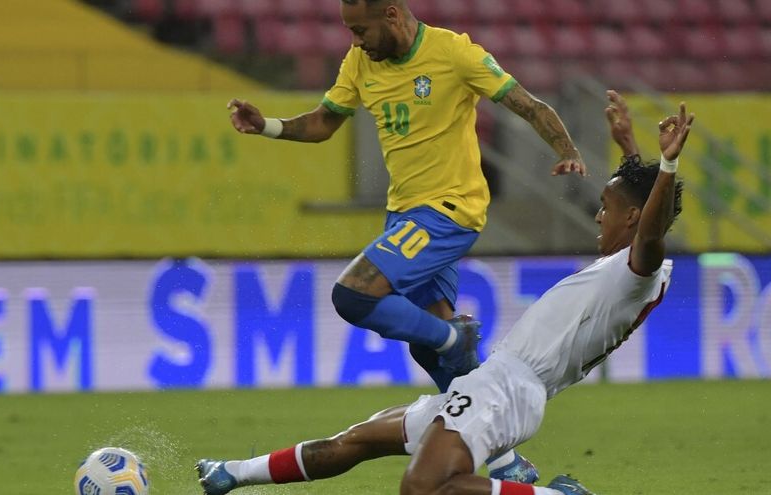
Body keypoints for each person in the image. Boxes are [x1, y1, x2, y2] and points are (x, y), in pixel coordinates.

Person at [198, 93, 694, 495]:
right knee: (357, 441)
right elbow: (641, 210)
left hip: (508, 390)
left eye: (607, 207)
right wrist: (630, 150)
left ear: (634, 218)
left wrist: (668, 164)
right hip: (495, 381)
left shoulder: (641, 270)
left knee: (426, 488)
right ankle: (233, 474)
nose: (599, 215)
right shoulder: (625, 265)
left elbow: (650, 231)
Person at [227, 0, 586, 397]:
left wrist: (567, 150)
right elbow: (324, 123)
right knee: (430, 349)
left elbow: (529, 106)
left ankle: (456, 338)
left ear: (391, 15)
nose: (355, 41)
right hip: (403, 213)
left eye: (360, 30)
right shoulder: (360, 63)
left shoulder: (454, 53)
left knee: (353, 295)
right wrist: (267, 126)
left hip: (449, 210)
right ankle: (495, 433)